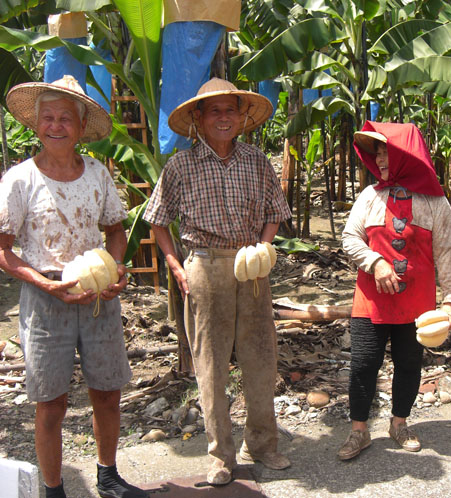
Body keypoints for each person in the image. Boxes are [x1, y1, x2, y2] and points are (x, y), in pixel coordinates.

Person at [0, 76, 148, 498]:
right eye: (48, 117)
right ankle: (53, 489)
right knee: (51, 402)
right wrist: (45, 286)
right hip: (46, 298)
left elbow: (115, 229)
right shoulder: (19, 180)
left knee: (107, 391)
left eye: (67, 118)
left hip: (98, 295)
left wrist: (117, 265)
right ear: (36, 125)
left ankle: (107, 475)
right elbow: (4, 250)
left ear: (82, 127)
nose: (56, 125)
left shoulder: (97, 173)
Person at [143, 78, 292, 486]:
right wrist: (175, 265)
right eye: (214, 111)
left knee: (261, 359)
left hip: (251, 266)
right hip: (204, 267)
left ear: (242, 116)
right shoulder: (180, 166)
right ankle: (221, 456)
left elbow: (274, 210)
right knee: (210, 367)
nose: (223, 118)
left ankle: (262, 445)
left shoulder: (256, 161)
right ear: (198, 118)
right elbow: (157, 220)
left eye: (230, 110)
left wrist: (262, 249)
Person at [338, 121, 451, 460]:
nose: (380, 162)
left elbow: (446, 253)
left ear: (407, 157)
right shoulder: (369, 196)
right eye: (377, 155)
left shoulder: (436, 203)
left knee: (409, 363)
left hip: (417, 303)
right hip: (370, 300)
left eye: (387, 155)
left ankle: (399, 423)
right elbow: (350, 238)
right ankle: (358, 431)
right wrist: (375, 262)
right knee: (364, 363)